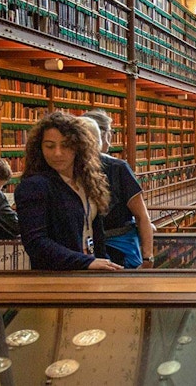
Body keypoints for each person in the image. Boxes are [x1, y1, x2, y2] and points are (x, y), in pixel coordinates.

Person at [14, 110, 123, 271]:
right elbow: (36, 242)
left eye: (65, 145)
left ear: (78, 146)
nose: (57, 153)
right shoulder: (34, 186)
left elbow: (96, 233)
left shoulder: (87, 180)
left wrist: (103, 262)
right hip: (58, 278)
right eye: (50, 146)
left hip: (91, 270)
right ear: (40, 148)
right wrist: (85, 262)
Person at [82, 109, 154, 268]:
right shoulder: (118, 167)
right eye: (110, 133)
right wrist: (148, 257)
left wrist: (148, 257)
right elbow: (142, 216)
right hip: (101, 249)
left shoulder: (117, 167)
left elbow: (142, 216)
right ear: (101, 135)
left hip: (108, 248)